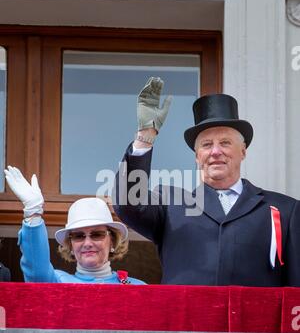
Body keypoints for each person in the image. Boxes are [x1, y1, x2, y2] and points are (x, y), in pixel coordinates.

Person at [113, 77, 300, 286]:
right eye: (207, 144)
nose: (216, 151)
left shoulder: (285, 210)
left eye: (225, 143)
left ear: (243, 151)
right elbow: (129, 203)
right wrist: (145, 136)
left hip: (257, 319)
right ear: (196, 156)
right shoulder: (170, 203)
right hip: (187, 318)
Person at [4, 166, 145, 285]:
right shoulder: (58, 282)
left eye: (97, 235)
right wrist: (33, 213)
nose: (87, 243)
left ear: (113, 241)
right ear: (70, 246)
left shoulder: (138, 288)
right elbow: (37, 271)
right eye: (78, 236)